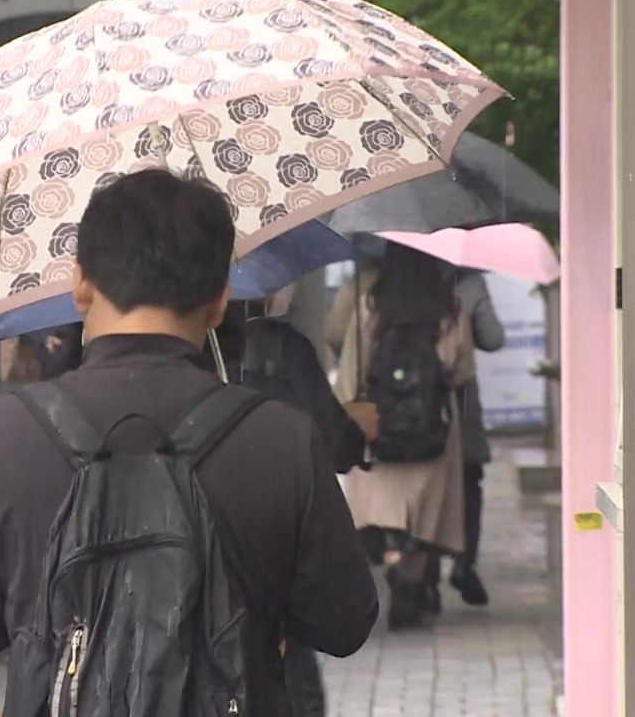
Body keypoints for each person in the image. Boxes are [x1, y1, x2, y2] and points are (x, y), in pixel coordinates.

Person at [0, 169, 378, 715]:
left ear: (80, 284)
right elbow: (344, 621)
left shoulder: (0, 436)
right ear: (219, 301)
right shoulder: (280, 438)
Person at [210, 288, 380, 717]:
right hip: (272, 560)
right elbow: (335, 442)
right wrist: (356, 428)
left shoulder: (184, 360)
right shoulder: (282, 348)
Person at [334, 243, 476, 630]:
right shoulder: (451, 310)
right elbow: (462, 371)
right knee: (422, 515)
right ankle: (409, 578)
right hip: (432, 430)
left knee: (387, 511)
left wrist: (352, 409)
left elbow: (350, 372)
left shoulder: (370, 307)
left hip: (381, 427)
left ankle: (392, 557)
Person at [423, 268, 505, 610]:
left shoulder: (389, 273)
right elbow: (492, 338)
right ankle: (464, 563)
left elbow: (339, 334)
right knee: (469, 479)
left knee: (423, 482)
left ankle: (423, 575)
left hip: (409, 398)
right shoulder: (468, 281)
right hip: (460, 395)